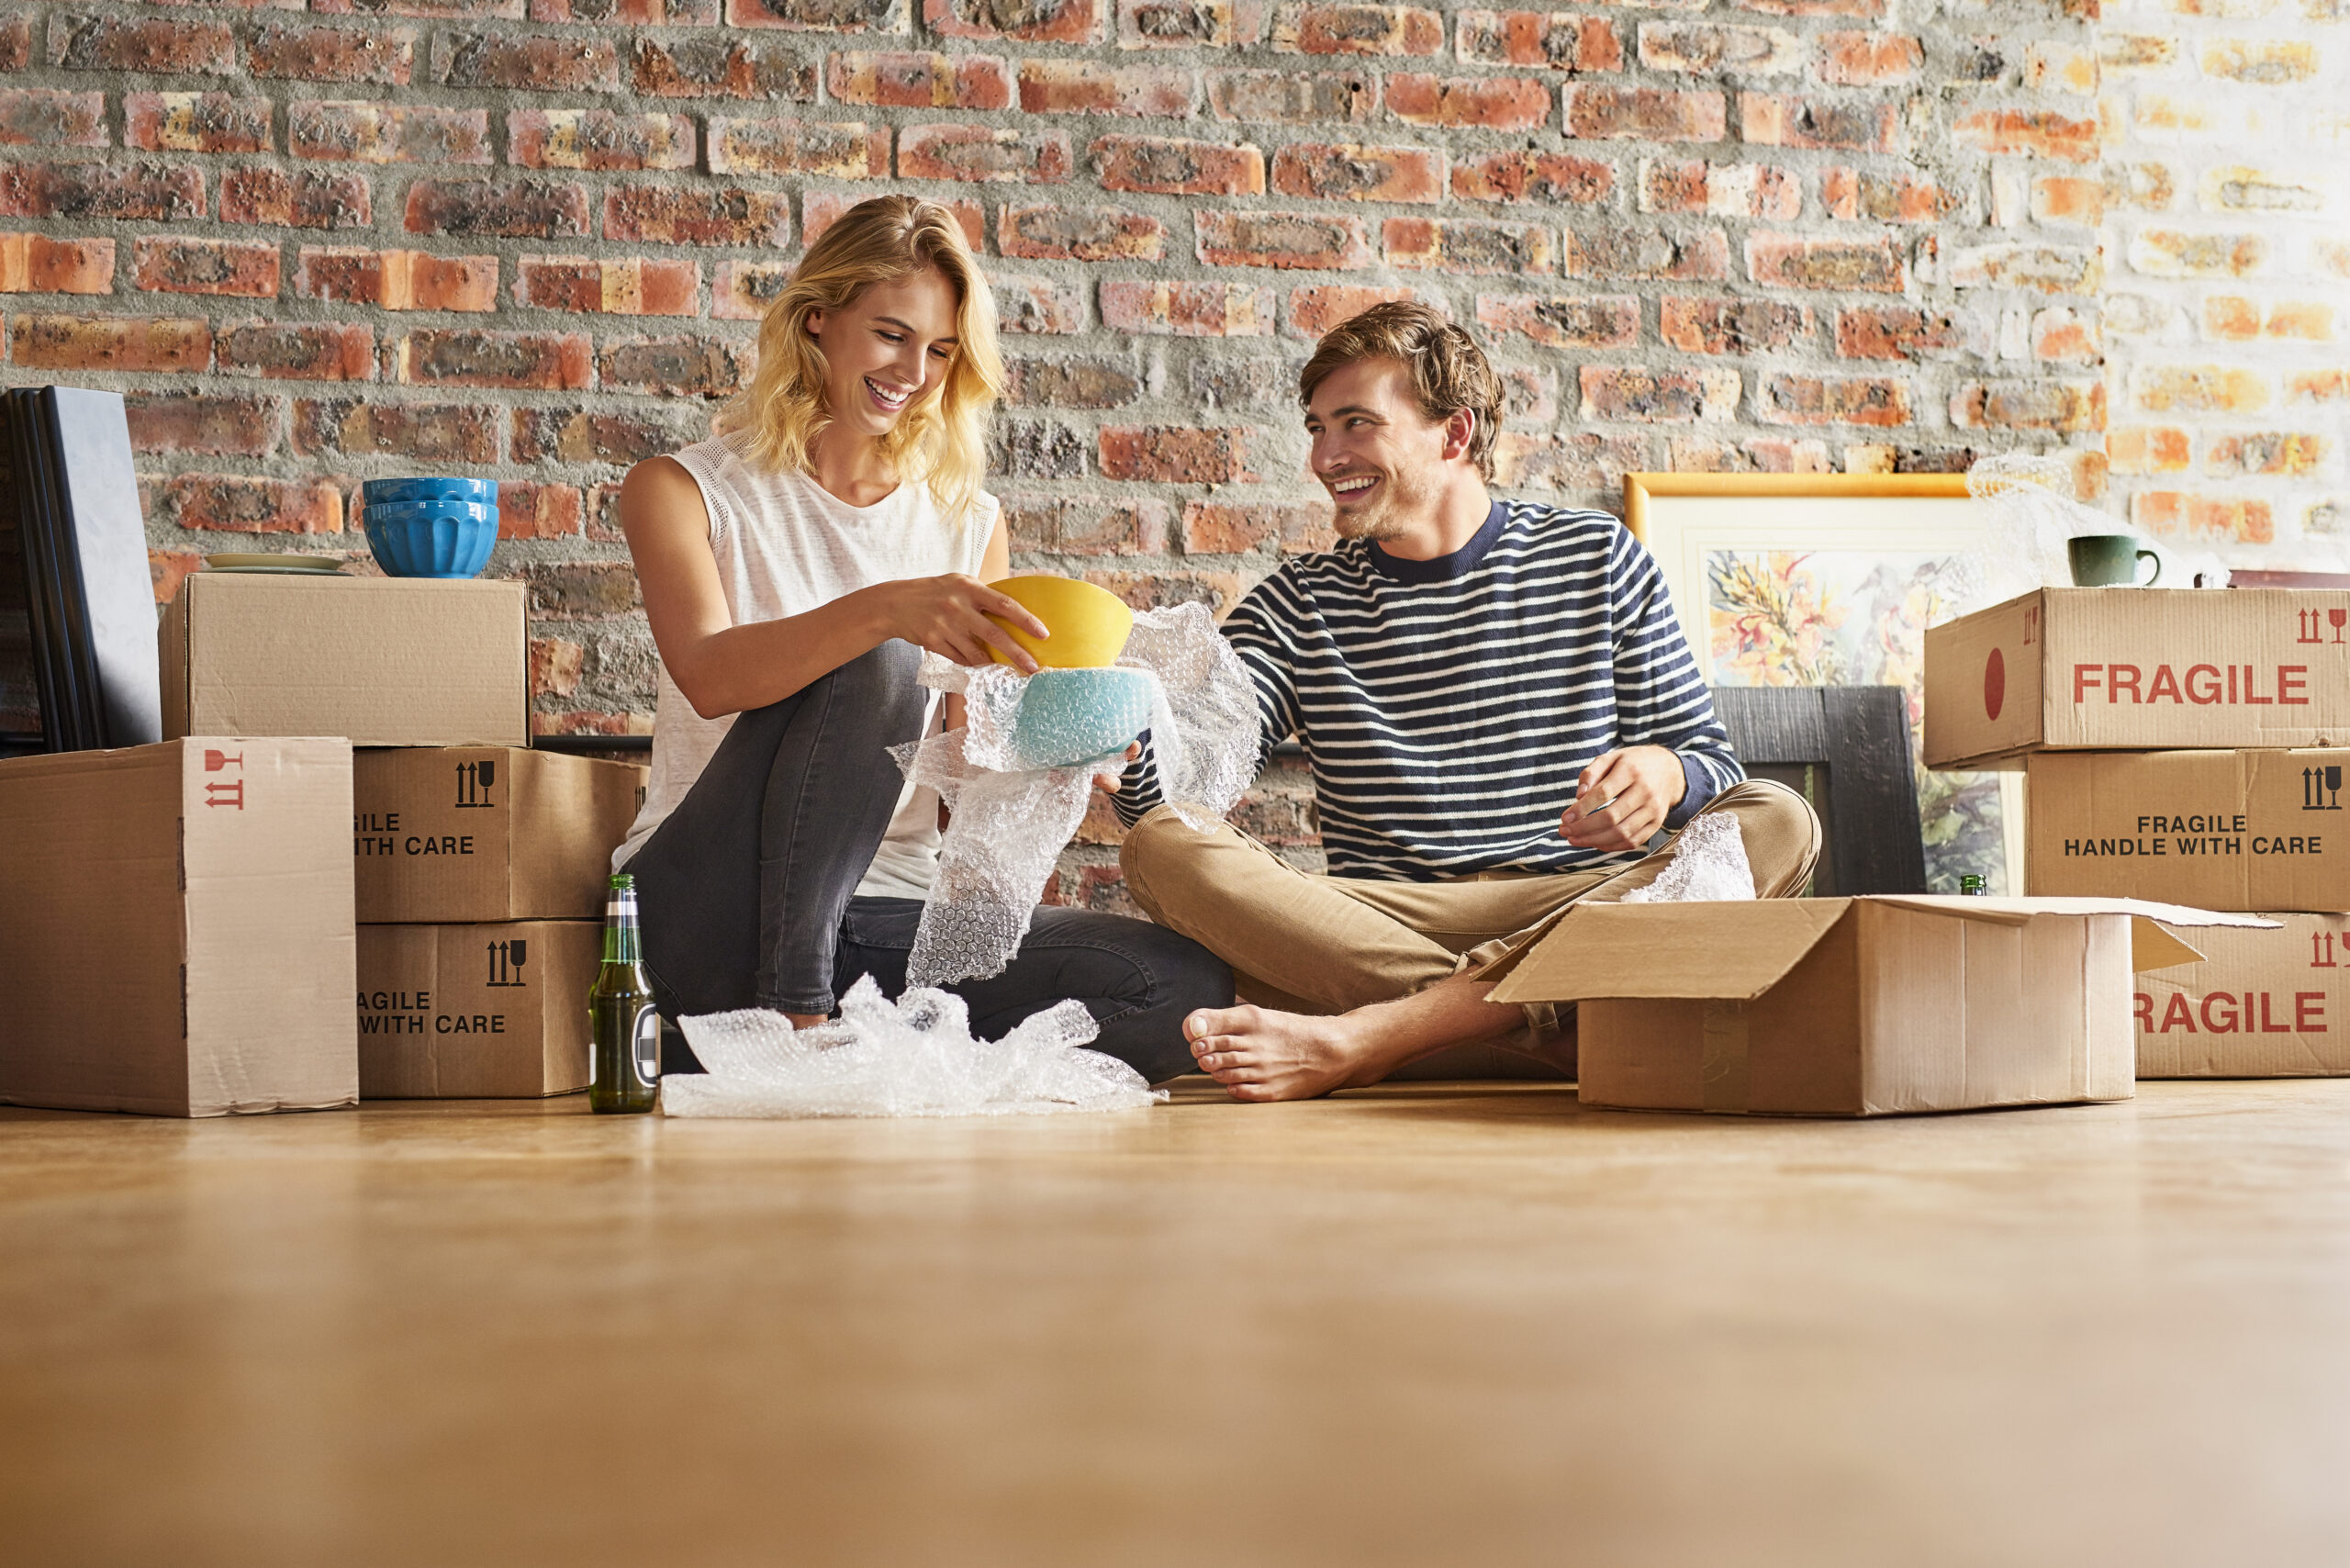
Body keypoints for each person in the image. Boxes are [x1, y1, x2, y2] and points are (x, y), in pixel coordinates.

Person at [1114, 302, 1821, 1102]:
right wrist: (1126, 751)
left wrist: (1666, 775)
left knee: (1780, 818)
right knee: (1161, 846)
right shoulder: (1298, 604)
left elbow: (1716, 773)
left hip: (1575, 901)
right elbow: (1191, 767)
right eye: (1316, 428)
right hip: (1378, 921)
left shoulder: (1597, 560)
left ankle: (1374, 1038)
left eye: (1355, 424)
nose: (1325, 455)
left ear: (1454, 434)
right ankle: (1559, 1034)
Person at [611, 195, 1232, 1084]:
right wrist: (885, 610)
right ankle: (795, 1022)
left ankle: (825, 1031)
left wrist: (1050, 752)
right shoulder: (680, 489)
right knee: (878, 659)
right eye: (892, 334)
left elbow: (954, 775)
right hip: (708, 906)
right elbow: (710, 675)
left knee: (1176, 986)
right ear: (818, 318)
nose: (915, 369)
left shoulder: (965, 522)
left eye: (941, 350)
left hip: (883, 918)